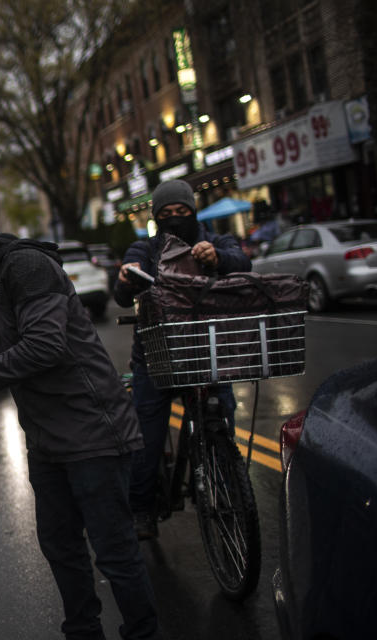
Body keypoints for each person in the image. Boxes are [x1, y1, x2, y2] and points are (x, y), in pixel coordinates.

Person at [0, 207, 161, 640]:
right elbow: (18, 359)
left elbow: (44, 347)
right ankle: (82, 632)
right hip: (48, 438)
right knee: (61, 548)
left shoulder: (27, 267)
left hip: (93, 430)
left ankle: (144, 633)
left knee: (115, 553)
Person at [113, 179, 252, 540]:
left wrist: (218, 257)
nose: (175, 218)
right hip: (157, 359)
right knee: (147, 437)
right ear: (156, 217)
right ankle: (142, 509)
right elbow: (125, 288)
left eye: (182, 212)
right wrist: (128, 278)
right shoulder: (145, 248)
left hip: (208, 354)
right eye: (166, 214)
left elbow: (243, 262)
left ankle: (226, 479)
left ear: (193, 211)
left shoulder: (215, 240)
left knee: (223, 414)